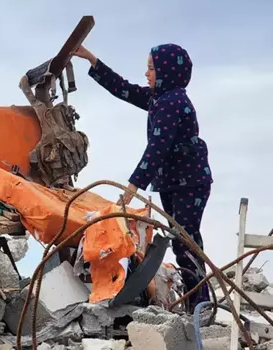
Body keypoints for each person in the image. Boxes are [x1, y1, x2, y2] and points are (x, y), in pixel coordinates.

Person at [73, 44, 213, 310]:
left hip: (190, 182)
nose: (147, 73)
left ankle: (200, 303)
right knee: (182, 238)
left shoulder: (173, 102)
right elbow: (124, 89)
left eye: (151, 68)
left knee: (186, 240)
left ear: (167, 72)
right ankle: (197, 301)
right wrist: (92, 59)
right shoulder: (158, 98)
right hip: (173, 182)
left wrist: (133, 185)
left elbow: (157, 147)